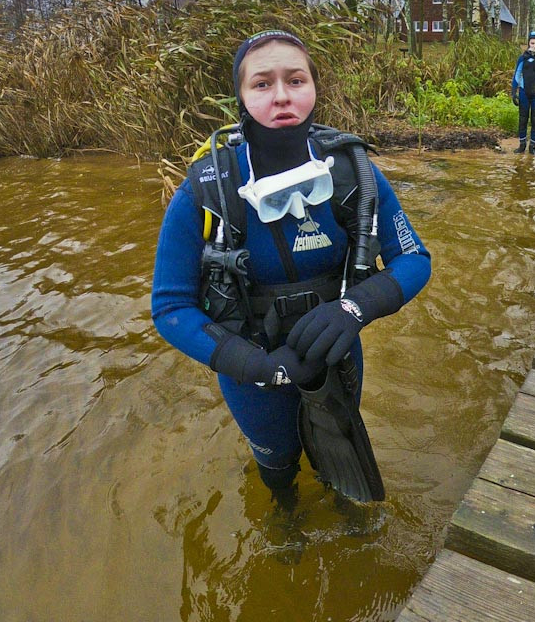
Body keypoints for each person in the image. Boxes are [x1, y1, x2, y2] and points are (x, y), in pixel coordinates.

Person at [151, 30, 431, 501]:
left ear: (314, 89)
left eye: (295, 80)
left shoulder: (352, 171)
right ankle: (286, 524)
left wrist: (354, 309)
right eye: (262, 84)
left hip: (336, 354)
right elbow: (170, 306)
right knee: (278, 468)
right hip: (252, 372)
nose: (282, 96)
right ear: (240, 97)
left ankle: (344, 520)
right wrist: (259, 367)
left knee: (338, 459)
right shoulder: (206, 189)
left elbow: (414, 259)